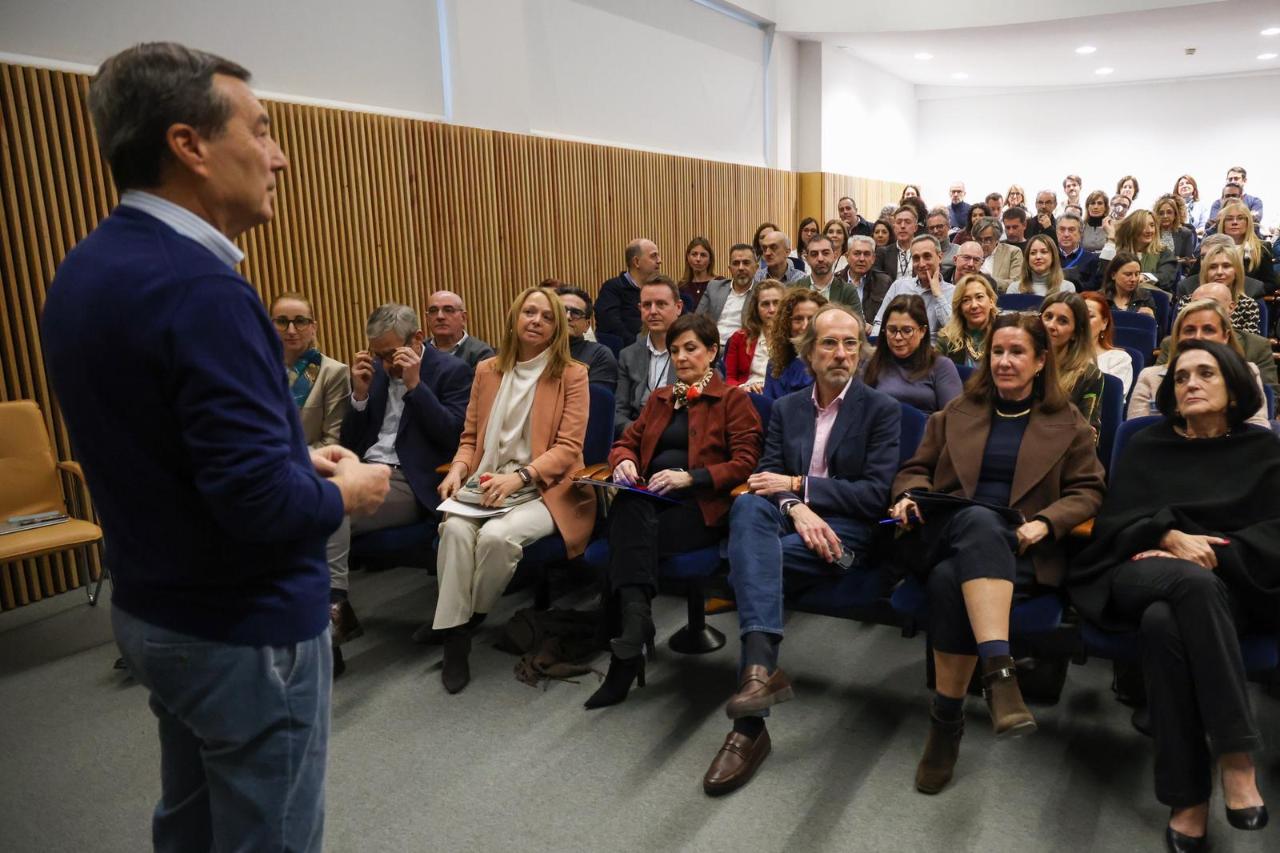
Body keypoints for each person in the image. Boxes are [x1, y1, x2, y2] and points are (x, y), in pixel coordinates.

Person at [41, 42, 393, 851]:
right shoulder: (203, 289)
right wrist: (351, 490)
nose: (281, 155)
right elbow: (259, 504)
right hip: (245, 626)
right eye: (261, 129)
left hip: (155, 606)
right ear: (188, 145)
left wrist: (291, 457)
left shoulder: (91, 267)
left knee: (193, 823)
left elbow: (165, 443)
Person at [1069, 340, 1276, 851]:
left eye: (1206, 373)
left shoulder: (1264, 451)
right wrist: (1166, 537)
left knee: (1168, 620)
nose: (1190, 384)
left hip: (1232, 584)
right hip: (1137, 569)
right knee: (1185, 586)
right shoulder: (1147, 445)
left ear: (1233, 387)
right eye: (1181, 377)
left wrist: (1212, 553)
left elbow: (1275, 533)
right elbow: (1115, 523)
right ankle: (1235, 752)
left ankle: (1187, 798)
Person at [890, 312, 1105, 795]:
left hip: (1019, 551)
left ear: (1040, 361)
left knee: (949, 581)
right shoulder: (957, 411)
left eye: (1017, 353)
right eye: (997, 352)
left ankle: (945, 724)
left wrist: (1046, 523)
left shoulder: (1067, 423)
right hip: (948, 530)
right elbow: (913, 470)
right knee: (981, 517)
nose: (1004, 361)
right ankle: (999, 674)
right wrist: (907, 495)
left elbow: (1089, 492)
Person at [703, 303, 901, 795]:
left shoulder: (883, 410)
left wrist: (799, 487)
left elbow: (875, 495)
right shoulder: (787, 407)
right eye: (829, 343)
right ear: (808, 353)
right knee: (749, 509)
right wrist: (797, 506)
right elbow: (762, 477)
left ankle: (749, 727)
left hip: (848, 536)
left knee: (748, 567)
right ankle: (755, 688)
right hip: (789, 519)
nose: (840, 353)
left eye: (850, 343)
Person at [586, 314, 762, 709]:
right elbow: (624, 441)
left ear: (712, 352)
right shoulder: (660, 398)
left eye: (691, 349)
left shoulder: (733, 400)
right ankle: (635, 628)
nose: (681, 357)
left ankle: (626, 655)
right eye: (676, 350)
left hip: (700, 507)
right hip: (651, 500)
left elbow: (748, 462)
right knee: (630, 501)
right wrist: (623, 462)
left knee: (625, 532)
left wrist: (692, 478)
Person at [433, 286, 595, 693]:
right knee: (452, 531)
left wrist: (520, 477)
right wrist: (456, 469)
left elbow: (568, 449)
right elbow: (470, 437)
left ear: (558, 327)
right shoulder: (487, 371)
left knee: (497, 538)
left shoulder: (573, 374)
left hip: (545, 487)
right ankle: (457, 639)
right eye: (529, 313)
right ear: (514, 319)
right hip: (486, 480)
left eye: (546, 316)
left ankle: (462, 621)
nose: (536, 321)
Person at [335, 304, 473, 660]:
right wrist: (360, 397)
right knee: (305, 508)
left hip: (411, 479)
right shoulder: (378, 373)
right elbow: (350, 443)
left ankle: (330, 614)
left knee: (325, 514)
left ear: (417, 339)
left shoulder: (451, 371)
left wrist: (414, 385)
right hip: (364, 468)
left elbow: (452, 436)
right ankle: (330, 612)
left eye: (391, 354)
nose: (385, 364)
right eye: (378, 354)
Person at [1128, 299, 1270, 428]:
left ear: (1225, 337)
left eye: (1208, 330)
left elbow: (1258, 429)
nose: (1198, 337)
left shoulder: (1246, 372)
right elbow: (1137, 432)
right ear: (1177, 338)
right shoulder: (1150, 377)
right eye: (1189, 330)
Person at [1159, 281, 1277, 397]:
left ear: (1231, 307)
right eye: (1196, 304)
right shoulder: (1170, 344)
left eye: (1211, 304)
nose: (1198, 337)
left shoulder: (1257, 347)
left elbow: (1270, 397)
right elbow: (1157, 390)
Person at [272, 292, 350, 449]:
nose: (291, 330)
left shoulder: (334, 373)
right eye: (282, 321)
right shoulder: (260, 372)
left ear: (313, 328)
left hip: (309, 466)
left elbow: (332, 442)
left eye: (300, 321)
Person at [864, 295, 963, 413]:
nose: (898, 337)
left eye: (907, 331)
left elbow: (954, 418)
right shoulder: (872, 362)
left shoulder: (941, 366)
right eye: (892, 330)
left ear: (922, 331)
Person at [616, 277, 681, 436]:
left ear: (678, 307)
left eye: (661, 304)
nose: (652, 311)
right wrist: (637, 433)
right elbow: (618, 412)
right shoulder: (628, 355)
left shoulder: (694, 352)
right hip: (637, 434)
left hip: (677, 436)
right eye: (646, 305)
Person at [1040, 291, 1105, 434]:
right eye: (1048, 317)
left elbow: (1087, 435)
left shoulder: (1089, 376)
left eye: (1062, 321)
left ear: (1076, 333)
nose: (1051, 325)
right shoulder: (1024, 364)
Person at [872, 235, 956, 338]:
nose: (921, 264)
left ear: (940, 257)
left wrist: (938, 295)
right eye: (916, 258)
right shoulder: (899, 286)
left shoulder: (953, 292)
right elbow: (879, 322)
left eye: (927, 256)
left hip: (932, 351)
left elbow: (954, 331)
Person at [1173, 243, 1262, 335]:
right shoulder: (1188, 302)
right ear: (1205, 272)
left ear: (1236, 271)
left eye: (1226, 266)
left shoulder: (1248, 305)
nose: (1219, 272)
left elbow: (1250, 344)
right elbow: (1180, 337)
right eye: (1213, 267)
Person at [763, 289, 826, 400]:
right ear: (787, 324)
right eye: (798, 319)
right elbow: (769, 408)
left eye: (812, 319)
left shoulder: (831, 363)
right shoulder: (775, 365)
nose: (805, 326)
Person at [725, 280, 784, 392]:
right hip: (747, 396)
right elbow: (730, 378)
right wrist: (743, 388)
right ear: (756, 308)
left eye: (776, 303)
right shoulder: (739, 338)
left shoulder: (794, 338)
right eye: (765, 304)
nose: (772, 310)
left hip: (780, 398)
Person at [597, 238, 662, 340]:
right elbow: (611, 326)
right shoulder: (612, 289)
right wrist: (639, 348)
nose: (659, 261)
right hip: (629, 351)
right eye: (654, 256)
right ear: (636, 262)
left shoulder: (662, 288)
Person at [555, 285, 619, 389]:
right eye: (561, 310)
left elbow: (596, 401)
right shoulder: (536, 349)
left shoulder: (599, 355)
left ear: (587, 325)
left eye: (576, 313)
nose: (567, 317)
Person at [1099, 209, 1178, 292]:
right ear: (1132, 228)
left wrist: (1144, 277)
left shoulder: (1164, 253)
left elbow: (1166, 278)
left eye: (1152, 225)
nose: (1149, 230)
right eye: (1142, 226)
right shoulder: (1119, 251)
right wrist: (1111, 238)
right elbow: (1104, 275)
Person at [696, 243, 757, 349]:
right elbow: (697, 319)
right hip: (711, 347)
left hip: (742, 350)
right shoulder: (714, 287)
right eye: (736, 263)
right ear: (730, 268)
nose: (741, 268)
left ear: (756, 267)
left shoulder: (761, 292)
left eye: (746, 263)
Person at [1213, 200, 1278, 295]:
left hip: (1249, 300)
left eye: (1240, 218)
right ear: (1222, 223)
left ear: (1248, 223)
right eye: (1229, 219)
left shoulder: (1261, 248)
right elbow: (1193, 279)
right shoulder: (1212, 247)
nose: (1234, 222)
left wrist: (1247, 292)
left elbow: (1271, 284)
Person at [936, 274, 998, 369]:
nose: (974, 305)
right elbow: (936, 376)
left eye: (979, 297)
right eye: (966, 300)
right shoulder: (946, 339)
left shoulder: (1006, 333)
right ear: (959, 308)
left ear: (991, 301)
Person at [424, 290, 495, 368]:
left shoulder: (481, 353)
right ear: (427, 319)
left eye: (448, 310)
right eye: (433, 311)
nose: (440, 316)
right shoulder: (420, 349)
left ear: (463, 318)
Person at [1081, 292, 1133, 397]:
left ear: (1104, 323)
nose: (1083, 322)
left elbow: (1111, 401)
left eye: (1090, 316)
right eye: (1078, 316)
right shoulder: (1058, 354)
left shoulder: (1119, 359)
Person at [836, 234, 893, 323]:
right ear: (847, 256)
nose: (862, 259)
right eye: (857, 253)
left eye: (867, 254)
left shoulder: (884, 282)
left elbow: (889, 317)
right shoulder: (835, 281)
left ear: (873, 258)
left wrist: (874, 328)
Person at [1008, 234, 1076, 296]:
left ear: (1053, 256)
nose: (1038, 257)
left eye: (1044, 252)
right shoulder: (1014, 289)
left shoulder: (1067, 288)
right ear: (1027, 258)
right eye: (1033, 253)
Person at [972, 217, 1024, 292]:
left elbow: (1016, 283)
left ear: (997, 239)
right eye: (979, 240)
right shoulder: (970, 253)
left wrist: (987, 280)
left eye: (988, 239)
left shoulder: (1012, 252)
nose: (983, 244)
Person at [1101, 251, 1157, 318]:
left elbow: (1156, 327)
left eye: (1137, 274)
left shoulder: (1145, 298)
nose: (1134, 279)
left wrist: (1152, 320)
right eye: (1128, 274)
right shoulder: (1100, 298)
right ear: (1113, 275)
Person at [1152, 194, 1197, 275]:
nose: (1165, 216)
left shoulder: (1185, 233)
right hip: (1154, 271)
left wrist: (1175, 260)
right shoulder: (1152, 232)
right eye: (1161, 213)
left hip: (1177, 273)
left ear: (1175, 215)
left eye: (1169, 212)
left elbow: (1188, 261)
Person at [679, 236, 724, 312]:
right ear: (688, 257)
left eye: (703, 255)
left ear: (710, 259)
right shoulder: (681, 286)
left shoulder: (720, 283)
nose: (698, 259)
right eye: (694, 254)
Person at [1056, 213, 1101, 290]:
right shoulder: (1049, 256)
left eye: (1071, 230)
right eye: (1062, 229)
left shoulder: (1092, 259)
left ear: (1080, 234)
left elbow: (1094, 287)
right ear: (1056, 232)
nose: (1066, 234)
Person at [875, 206, 920, 282]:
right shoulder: (882, 253)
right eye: (899, 222)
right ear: (894, 227)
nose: (902, 226)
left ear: (915, 228)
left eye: (907, 222)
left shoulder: (923, 252)